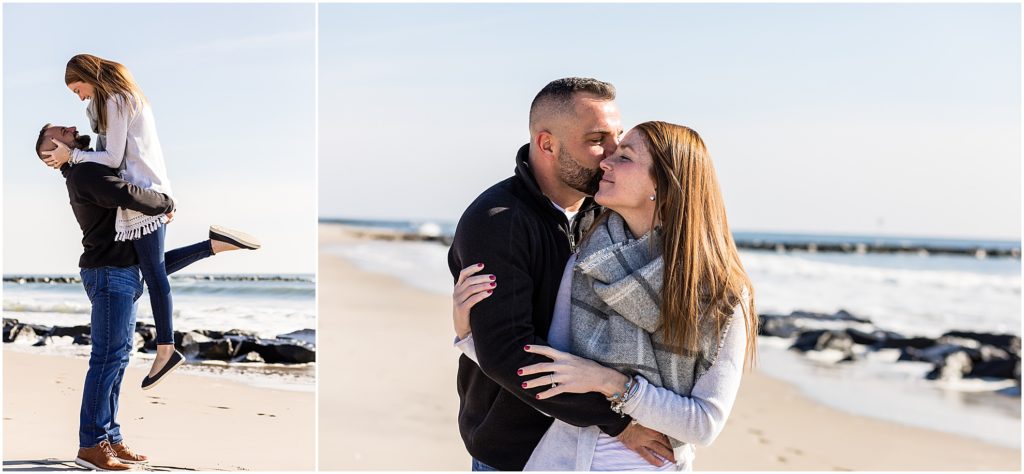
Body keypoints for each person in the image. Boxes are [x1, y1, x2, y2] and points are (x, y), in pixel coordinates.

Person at [453, 121, 759, 470]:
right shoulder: (586, 263)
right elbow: (548, 374)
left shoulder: (722, 293)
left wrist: (612, 384)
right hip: (562, 461)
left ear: (664, 185)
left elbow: (704, 424)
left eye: (624, 157)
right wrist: (471, 337)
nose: (605, 163)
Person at [447, 78, 676, 471]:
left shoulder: (608, 212)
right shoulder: (498, 222)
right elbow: (508, 354)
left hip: (591, 452)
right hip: (518, 451)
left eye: (617, 137)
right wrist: (618, 422)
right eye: (596, 139)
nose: (611, 154)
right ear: (547, 144)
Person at [34, 124, 255, 470]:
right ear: (53, 147)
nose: (74, 128)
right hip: (108, 274)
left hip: (118, 271)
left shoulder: (85, 168)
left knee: (118, 359)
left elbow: (150, 255)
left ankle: (110, 436)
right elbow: (127, 194)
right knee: (107, 359)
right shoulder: (85, 173)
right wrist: (165, 202)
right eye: (64, 130)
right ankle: (91, 445)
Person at [40, 54, 260, 389]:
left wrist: (71, 155)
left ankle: (166, 348)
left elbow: (112, 160)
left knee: (154, 275)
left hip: (142, 193)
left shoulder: (115, 99)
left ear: (88, 76)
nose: (80, 97)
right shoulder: (118, 100)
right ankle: (215, 244)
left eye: (77, 88)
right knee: (147, 269)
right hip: (146, 190)